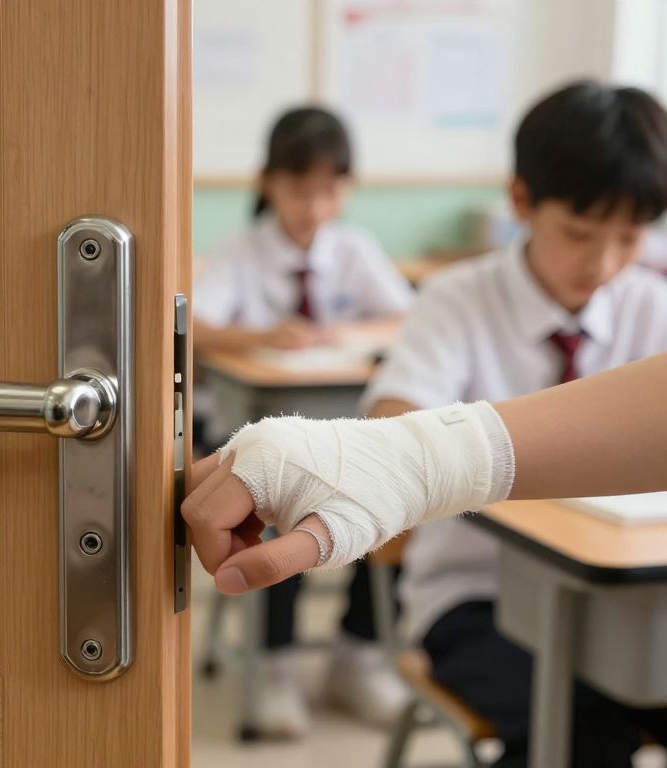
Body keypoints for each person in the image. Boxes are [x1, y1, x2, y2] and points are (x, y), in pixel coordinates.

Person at [186, 81, 667, 767]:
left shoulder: (654, 305)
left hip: (637, 598)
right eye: (581, 234)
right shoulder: (456, 300)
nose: (602, 264)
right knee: (580, 735)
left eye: (629, 238)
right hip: (479, 595)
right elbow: (394, 416)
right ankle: (287, 666)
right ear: (522, 203)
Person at [193, 106, 415, 736]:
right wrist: (265, 333)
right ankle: (277, 662)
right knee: (283, 503)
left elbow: (408, 319)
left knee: (404, 500)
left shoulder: (355, 248)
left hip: (350, 430)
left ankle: (359, 651)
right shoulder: (241, 250)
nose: (315, 206)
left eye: (329, 190)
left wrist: (346, 330)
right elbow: (198, 330)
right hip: (256, 430)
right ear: (268, 182)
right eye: (299, 189)